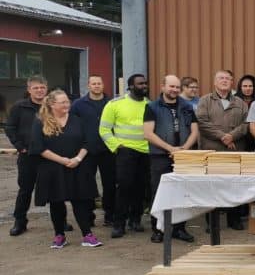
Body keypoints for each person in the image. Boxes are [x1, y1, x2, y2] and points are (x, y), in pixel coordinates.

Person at [29, 90, 102, 249]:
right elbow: (38, 147)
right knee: (56, 202)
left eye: (67, 101)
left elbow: (88, 142)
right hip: (52, 168)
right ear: (52, 104)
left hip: (77, 167)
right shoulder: (40, 122)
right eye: (62, 102)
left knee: (80, 201)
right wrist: (62, 160)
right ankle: (59, 235)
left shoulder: (78, 120)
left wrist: (78, 159)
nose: (67, 105)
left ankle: (87, 235)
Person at [142, 75, 198, 243]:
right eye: (171, 86)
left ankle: (179, 229)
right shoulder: (151, 107)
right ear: (163, 87)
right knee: (159, 192)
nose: (174, 90)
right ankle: (158, 230)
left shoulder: (187, 107)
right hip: (160, 157)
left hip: (183, 157)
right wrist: (171, 149)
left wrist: (183, 149)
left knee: (182, 193)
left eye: (177, 87)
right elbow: (148, 134)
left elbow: (195, 131)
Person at [195, 70, 250, 229]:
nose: (224, 81)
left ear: (232, 82)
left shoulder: (240, 103)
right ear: (214, 82)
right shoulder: (205, 101)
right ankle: (212, 223)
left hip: (234, 150)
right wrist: (222, 137)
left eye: (227, 78)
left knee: (234, 185)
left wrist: (232, 136)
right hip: (212, 151)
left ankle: (234, 219)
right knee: (211, 186)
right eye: (221, 78)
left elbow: (247, 124)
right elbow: (202, 122)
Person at [100, 73, 150, 239]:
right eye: (140, 83)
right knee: (124, 188)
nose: (144, 86)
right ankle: (118, 224)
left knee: (140, 188)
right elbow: (104, 129)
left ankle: (135, 220)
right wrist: (117, 146)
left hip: (145, 152)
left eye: (145, 83)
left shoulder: (149, 105)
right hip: (125, 152)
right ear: (130, 86)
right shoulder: (115, 104)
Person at [6, 75, 49, 236]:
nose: (39, 90)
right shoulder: (19, 107)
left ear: (46, 89)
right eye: (35, 88)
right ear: (29, 89)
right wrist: (19, 146)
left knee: (54, 188)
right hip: (28, 156)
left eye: (42, 87)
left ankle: (61, 221)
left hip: (50, 155)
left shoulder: (52, 106)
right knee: (25, 189)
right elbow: (10, 128)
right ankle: (20, 222)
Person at [71, 74, 114, 227]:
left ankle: (110, 215)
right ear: (88, 86)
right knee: (87, 184)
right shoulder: (78, 105)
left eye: (99, 83)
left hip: (108, 150)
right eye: (93, 83)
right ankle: (89, 216)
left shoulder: (111, 103)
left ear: (103, 85)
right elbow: (73, 125)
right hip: (86, 150)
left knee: (110, 183)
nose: (96, 86)